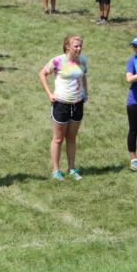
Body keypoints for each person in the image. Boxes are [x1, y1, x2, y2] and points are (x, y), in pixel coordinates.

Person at [38, 34, 87, 181]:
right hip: (61, 104)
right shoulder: (58, 60)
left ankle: (72, 169)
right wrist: (49, 94)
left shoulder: (83, 60)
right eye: (76, 46)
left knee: (71, 138)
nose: (79, 49)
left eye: (80, 46)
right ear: (67, 46)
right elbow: (42, 73)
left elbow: (83, 76)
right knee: (58, 139)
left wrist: (86, 92)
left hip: (77, 104)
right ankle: (56, 170)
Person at [125, 37, 137, 171]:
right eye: (134, 46)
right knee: (134, 130)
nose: (135, 49)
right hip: (134, 102)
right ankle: (134, 160)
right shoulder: (132, 61)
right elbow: (129, 78)